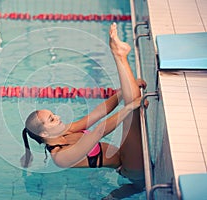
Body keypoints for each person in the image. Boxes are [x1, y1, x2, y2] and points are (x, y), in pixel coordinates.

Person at [21, 23, 147, 187]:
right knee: (131, 109)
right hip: (131, 169)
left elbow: (99, 112)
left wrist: (122, 92)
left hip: (125, 152)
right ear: (44, 132)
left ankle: (119, 55)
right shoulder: (61, 158)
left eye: (53, 115)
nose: (58, 117)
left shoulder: (66, 131)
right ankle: (119, 55)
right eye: (52, 119)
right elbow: (98, 132)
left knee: (130, 100)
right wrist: (128, 107)